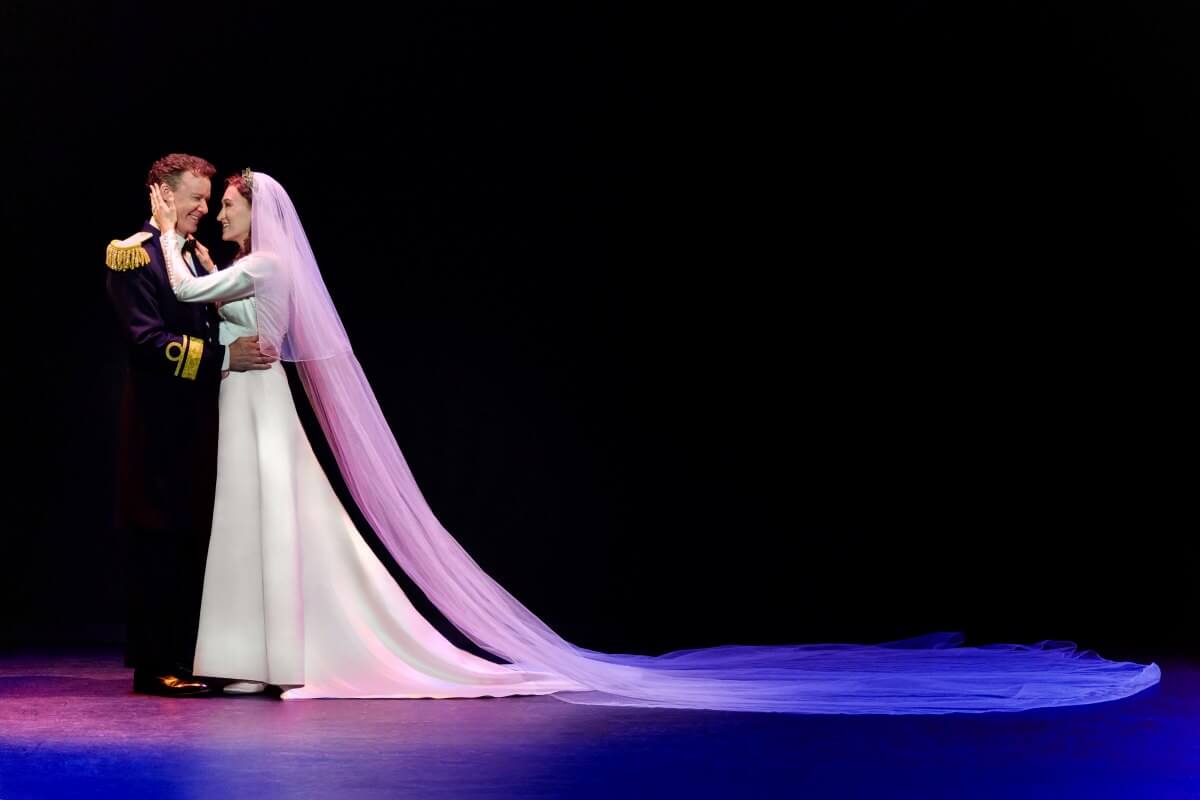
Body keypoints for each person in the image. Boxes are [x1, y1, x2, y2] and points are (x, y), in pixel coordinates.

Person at [150, 170, 1160, 712]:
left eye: (224, 203)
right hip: (246, 395)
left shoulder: (264, 262)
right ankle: (256, 650)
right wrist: (197, 283)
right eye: (215, 204)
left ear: (251, 208)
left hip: (256, 401)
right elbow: (219, 313)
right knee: (261, 529)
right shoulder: (267, 264)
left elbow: (199, 292)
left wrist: (162, 240)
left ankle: (280, 651)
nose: (219, 211)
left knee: (277, 526)